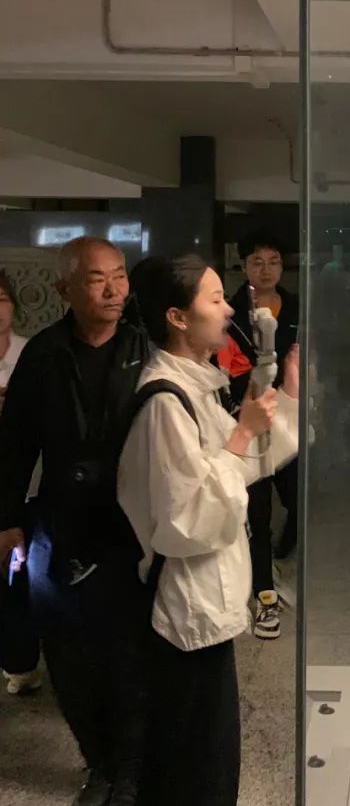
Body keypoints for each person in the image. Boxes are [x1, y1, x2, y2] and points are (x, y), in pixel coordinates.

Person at [118, 254, 299, 806]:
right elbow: (186, 521)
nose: (230, 310)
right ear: (176, 317)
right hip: (185, 610)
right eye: (216, 299)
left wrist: (287, 395)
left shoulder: (195, 388)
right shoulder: (165, 402)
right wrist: (241, 435)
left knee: (210, 753)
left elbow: (249, 466)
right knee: (195, 762)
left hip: (207, 605)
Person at [0, 237, 149, 806]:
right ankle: (99, 763)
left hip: (132, 522)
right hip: (61, 520)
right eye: (96, 278)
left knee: (130, 652)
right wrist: (7, 520)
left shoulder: (145, 349)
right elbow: (14, 446)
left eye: (120, 275)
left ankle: (130, 769)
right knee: (70, 652)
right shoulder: (44, 354)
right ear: (65, 288)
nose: (113, 289)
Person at [217, 232, 299, 640]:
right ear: (244, 265)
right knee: (257, 510)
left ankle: (285, 560)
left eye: (273, 261)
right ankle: (264, 595)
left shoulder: (297, 306)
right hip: (246, 420)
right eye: (257, 261)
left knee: (300, 499)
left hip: (291, 419)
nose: (266, 270)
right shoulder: (229, 312)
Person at [0, 269, 42, 696]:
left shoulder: (33, 353)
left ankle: (22, 661)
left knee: (16, 573)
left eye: (1, 299)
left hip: (25, 484)